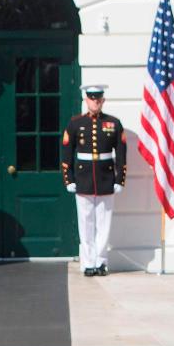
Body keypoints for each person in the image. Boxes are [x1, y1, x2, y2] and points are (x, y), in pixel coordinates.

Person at [60, 85, 127, 277]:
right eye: (91, 98)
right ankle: (88, 263)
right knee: (86, 222)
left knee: (104, 223)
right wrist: (69, 179)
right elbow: (67, 153)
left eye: (98, 99)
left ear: (103, 101)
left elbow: (121, 154)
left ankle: (101, 262)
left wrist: (120, 179)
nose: (95, 102)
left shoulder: (114, 123)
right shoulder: (75, 123)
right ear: (86, 100)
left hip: (106, 178)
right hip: (84, 178)